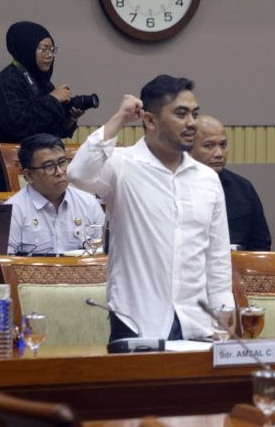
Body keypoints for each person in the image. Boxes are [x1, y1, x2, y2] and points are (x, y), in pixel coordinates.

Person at [67, 75, 234, 341]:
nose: (192, 122)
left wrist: (223, 310)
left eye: (194, 114)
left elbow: (217, 256)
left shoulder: (207, 179)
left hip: (197, 323)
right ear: (150, 120)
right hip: (137, 320)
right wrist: (119, 118)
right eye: (181, 114)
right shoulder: (122, 166)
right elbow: (77, 173)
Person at [0, 21, 84, 192]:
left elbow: (49, 129)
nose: (49, 55)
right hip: (12, 173)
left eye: (52, 50)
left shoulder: (43, 82)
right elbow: (18, 125)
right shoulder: (6, 82)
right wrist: (53, 100)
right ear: (27, 49)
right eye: (43, 49)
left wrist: (69, 119)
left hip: (46, 170)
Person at [5, 133, 105, 254]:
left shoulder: (88, 203)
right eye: (49, 166)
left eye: (62, 162)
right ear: (29, 175)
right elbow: (5, 259)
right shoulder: (13, 211)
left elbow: (106, 251)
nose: (60, 172)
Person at [190, 115, 271, 251]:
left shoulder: (243, 188)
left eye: (223, 145)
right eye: (209, 146)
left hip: (237, 263)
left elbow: (261, 246)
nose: (219, 153)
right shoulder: (176, 187)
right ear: (189, 149)